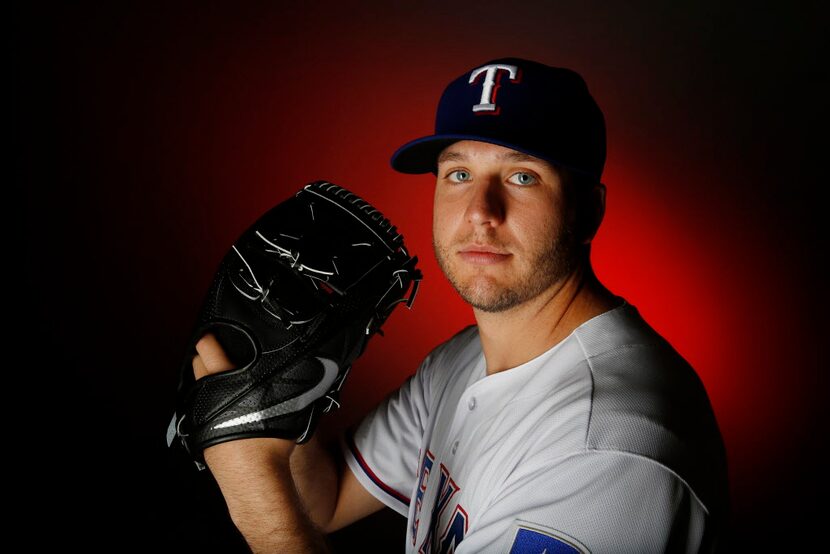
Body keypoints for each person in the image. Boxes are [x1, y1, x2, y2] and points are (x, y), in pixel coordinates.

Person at [192, 58, 729, 553]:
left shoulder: (608, 454)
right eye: (458, 174)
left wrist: (247, 470)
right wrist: (274, 400)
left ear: (588, 211)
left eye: (522, 176)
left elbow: (278, 501)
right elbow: (324, 499)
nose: (479, 211)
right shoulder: (460, 360)